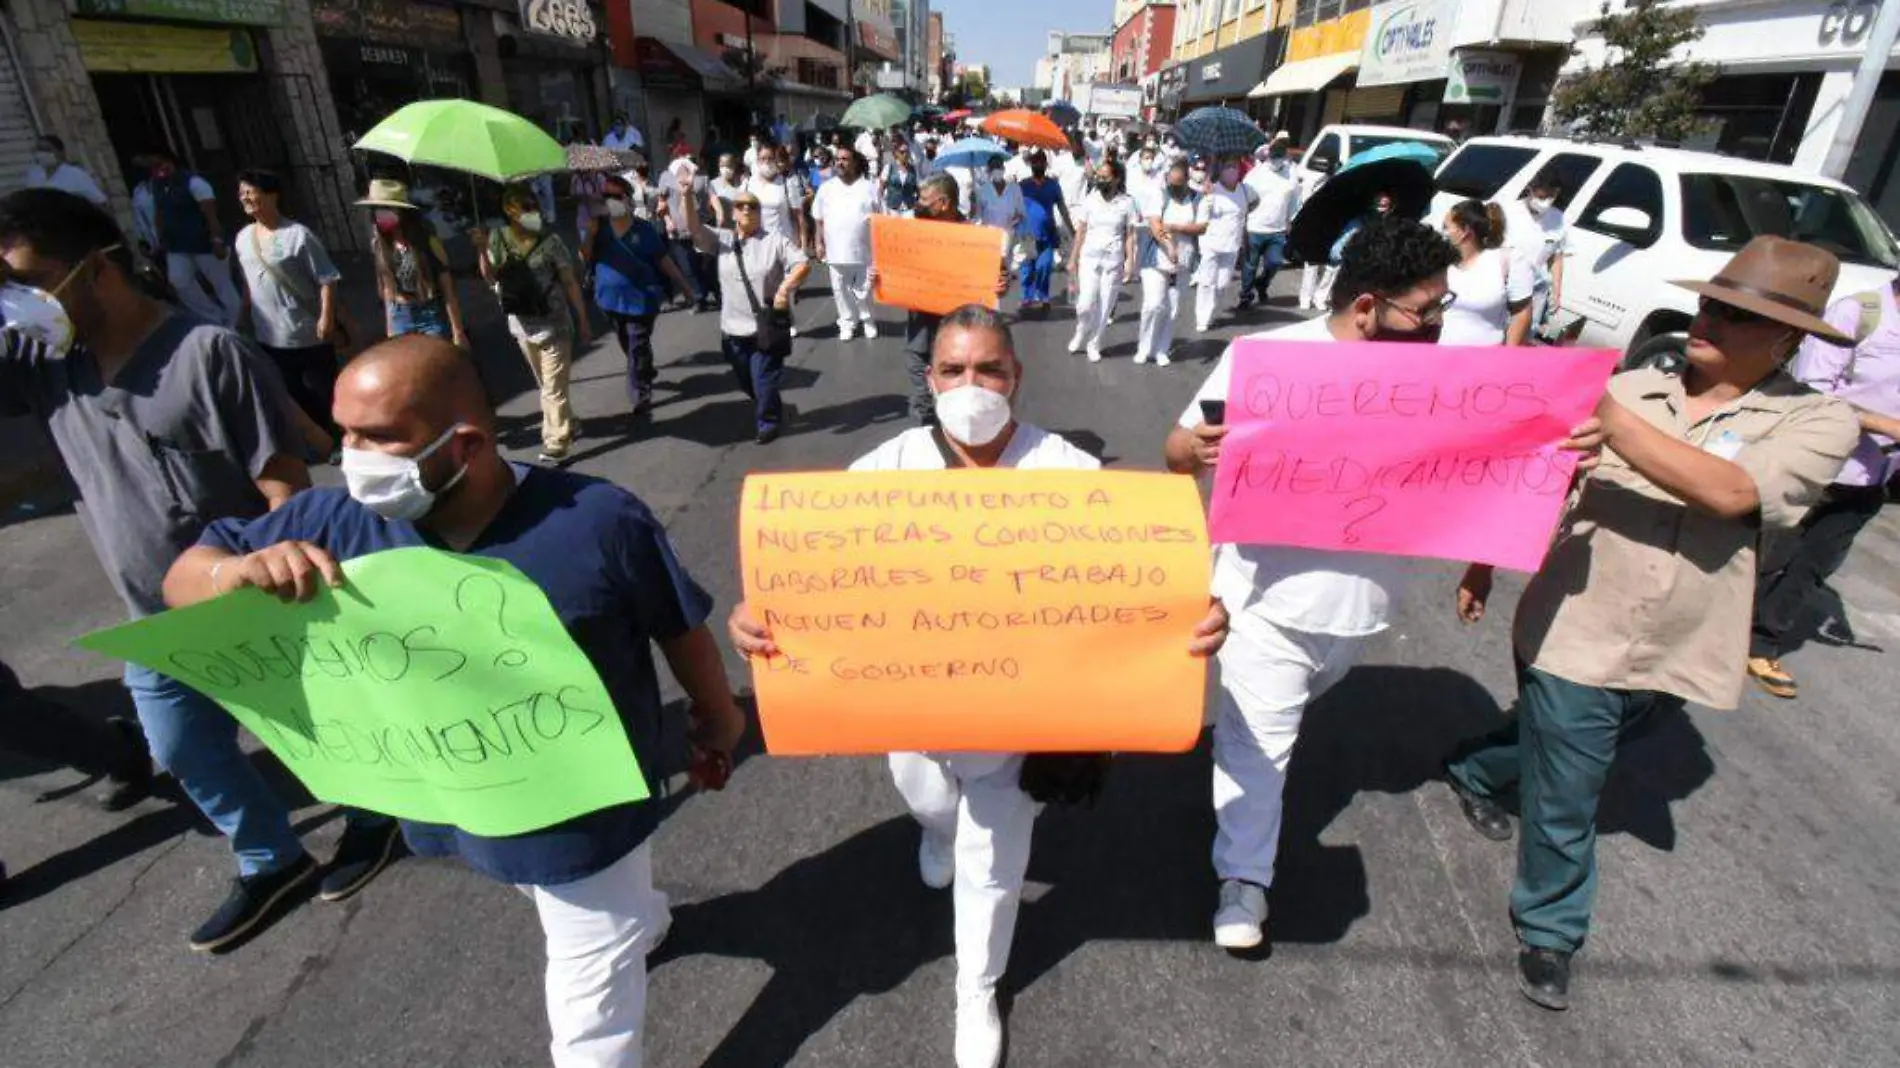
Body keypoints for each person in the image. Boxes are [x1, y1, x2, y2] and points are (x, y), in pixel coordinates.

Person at [161, 335, 746, 1066]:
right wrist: (236, 574)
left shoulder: (598, 521)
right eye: (342, 431)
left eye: (376, 437)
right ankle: (638, 919)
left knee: (589, 991)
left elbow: (677, 627)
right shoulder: (336, 523)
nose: (351, 456)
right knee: (558, 899)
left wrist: (717, 717)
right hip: (460, 802)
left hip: (586, 817)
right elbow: (183, 577)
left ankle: (621, 937)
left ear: (464, 443)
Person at [728, 305, 1231, 1068]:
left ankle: (976, 989)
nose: (973, 384)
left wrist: (1192, 618)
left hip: (1020, 730)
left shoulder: (1067, 471)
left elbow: (1139, 579)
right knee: (930, 803)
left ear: (1016, 377)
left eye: (990, 369)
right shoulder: (884, 470)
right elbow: (814, 583)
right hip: (915, 716)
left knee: (993, 866)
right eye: (956, 369)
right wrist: (760, 620)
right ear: (930, 380)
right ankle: (936, 830)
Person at [1444, 236, 1859, 1010]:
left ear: (1788, 339)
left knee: (1578, 741)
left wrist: (1605, 418)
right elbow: (1534, 483)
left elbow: (1735, 493)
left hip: (1686, 639)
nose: (1710, 320)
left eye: (1737, 315)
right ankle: (1550, 929)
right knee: (1573, 784)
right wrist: (1481, 562)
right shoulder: (1634, 387)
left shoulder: (1817, 421)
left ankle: (1476, 767)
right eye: (1710, 303)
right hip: (1577, 621)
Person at [0, 188, 401, 948]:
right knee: (183, 748)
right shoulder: (49, 368)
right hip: (155, 620)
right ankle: (269, 858)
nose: (20, 300)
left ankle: (375, 821)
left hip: (253, 606)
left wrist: (288, 589)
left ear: (100, 269)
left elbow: (284, 485)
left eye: (30, 278)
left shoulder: (207, 354)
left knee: (315, 732)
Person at [1165, 217, 1485, 955]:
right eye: (1424, 309)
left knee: (1280, 721)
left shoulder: (1439, 381)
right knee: (1261, 747)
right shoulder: (1268, 361)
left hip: (1363, 610)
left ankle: (1237, 780)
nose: (1437, 324)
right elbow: (1176, 451)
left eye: (1443, 306)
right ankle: (1244, 880)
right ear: (1368, 308)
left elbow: (1485, 470)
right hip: (1265, 605)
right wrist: (1197, 446)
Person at [1747, 277, 1900, 699]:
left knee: (1815, 563)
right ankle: (1710, 627)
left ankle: (1762, 643)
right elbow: (1812, 394)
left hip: (1874, 475)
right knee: (1764, 553)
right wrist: (1884, 425)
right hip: (1818, 466)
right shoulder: (1857, 313)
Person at [870, 174, 1010, 426]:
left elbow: (998, 279)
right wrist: (880, 276)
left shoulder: (975, 239)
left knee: (960, 406)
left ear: (944, 203)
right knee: (922, 403)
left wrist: (1001, 284)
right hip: (920, 338)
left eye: (925, 199)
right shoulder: (910, 232)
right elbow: (895, 270)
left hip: (961, 342)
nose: (918, 204)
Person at [472, 185, 593, 466]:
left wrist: (583, 319)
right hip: (521, 324)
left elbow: (569, 281)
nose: (531, 213)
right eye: (524, 208)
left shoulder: (550, 241)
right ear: (509, 212)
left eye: (533, 207)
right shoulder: (498, 239)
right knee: (547, 385)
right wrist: (481, 249)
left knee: (552, 388)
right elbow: (490, 278)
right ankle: (570, 421)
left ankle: (556, 441)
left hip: (555, 324)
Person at [685, 181, 809, 444]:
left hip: (766, 328)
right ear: (733, 213)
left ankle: (768, 422)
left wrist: (784, 289)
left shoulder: (774, 241)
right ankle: (770, 403)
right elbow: (694, 229)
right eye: (740, 206)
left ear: (759, 212)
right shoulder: (723, 240)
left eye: (752, 206)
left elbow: (802, 264)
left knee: (762, 379)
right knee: (747, 381)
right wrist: (686, 195)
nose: (746, 210)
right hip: (732, 329)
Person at [234, 169, 349, 436]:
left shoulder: (298, 235)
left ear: (272, 195)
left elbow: (328, 278)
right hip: (270, 336)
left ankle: (344, 437)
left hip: (308, 333)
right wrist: (242, 316)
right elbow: (248, 283)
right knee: (291, 393)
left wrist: (327, 317)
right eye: (241, 194)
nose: (244, 198)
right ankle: (325, 439)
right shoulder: (242, 238)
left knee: (326, 391)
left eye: (250, 191)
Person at [585, 173, 693, 416]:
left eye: (614, 196)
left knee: (636, 344)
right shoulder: (599, 229)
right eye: (605, 196)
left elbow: (663, 260)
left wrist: (685, 287)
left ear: (626, 199)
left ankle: (639, 393)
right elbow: (585, 257)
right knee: (630, 345)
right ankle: (644, 368)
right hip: (609, 301)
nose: (609, 201)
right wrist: (590, 235)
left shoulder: (644, 230)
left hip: (641, 301)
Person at [361, 179, 467, 348]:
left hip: (430, 312)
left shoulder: (426, 241)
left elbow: (447, 286)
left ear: (401, 211)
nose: (380, 214)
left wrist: (458, 331)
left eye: (386, 208)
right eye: (376, 209)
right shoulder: (379, 245)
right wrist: (390, 329)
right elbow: (388, 288)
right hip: (400, 315)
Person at [142, 148, 242, 328]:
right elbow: (159, 212)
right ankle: (213, 317)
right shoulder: (157, 185)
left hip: (204, 243)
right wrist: (159, 239)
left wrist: (217, 240)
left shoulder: (194, 183)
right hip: (177, 246)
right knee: (180, 281)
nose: (158, 170)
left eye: (161, 165)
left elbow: (211, 214)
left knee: (221, 285)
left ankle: (237, 321)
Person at [1065, 159, 1140, 363]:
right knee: (1084, 304)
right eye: (1098, 176)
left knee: (1106, 306)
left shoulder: (1127, 202)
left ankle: (1094, 343)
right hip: (1089, 258)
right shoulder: (1090, 199)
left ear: (1116, 179)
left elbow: (1130, 235)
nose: (1100, 180)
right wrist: (1073, 258)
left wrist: (1130, 262)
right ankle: (1081, 330)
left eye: (1105, 177)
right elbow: (1081, 231)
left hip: (1113, 260)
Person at [1135, 161, 1203, 367]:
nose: (1173, 186)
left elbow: (1201, 227)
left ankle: (1161, 349)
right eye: (1170, 182)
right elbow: (1155, 225)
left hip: (1183, 260)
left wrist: (1178, 227)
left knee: (1171, 309)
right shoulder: (1159, 195)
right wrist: (1168, 245)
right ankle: (1144, 347)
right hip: (1156, 257)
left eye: (1178, 183)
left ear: (1186, 181)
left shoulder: (1197, 198)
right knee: (1153, 305)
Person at [811, 147, 882, 341]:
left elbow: (880, 219)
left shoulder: (869, 187)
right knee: (840, 290)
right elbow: (818, 219)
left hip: (863, 250)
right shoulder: (826, 188)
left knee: (864, 289)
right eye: (837, 159)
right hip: (835, 250)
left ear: (855, 162)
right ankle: (847, 322)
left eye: (844, 159)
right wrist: (818, 243)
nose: (840, 163)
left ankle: (868, 321)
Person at [1440, 199, 1533, 346]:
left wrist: (1507, 356)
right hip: (1437, 358)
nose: (1442, 233)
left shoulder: (1507, 261)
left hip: (1484, 361)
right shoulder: (1440, 262)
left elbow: (1522, 313)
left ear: (1465, 231)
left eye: (1446, 227)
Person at [1502, 167, 1568, 338]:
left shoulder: (1559, 219)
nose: (1545, 201)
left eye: (1550, 197)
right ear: (1530, 189)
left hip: (1535, 292)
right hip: (1507, 288)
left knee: (1524, 338)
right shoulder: (1510, 212)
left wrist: (1557, 290)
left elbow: (1556, 256)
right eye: (1541, 197)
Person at [1193, 159, 1255, 333]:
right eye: (1227, 166)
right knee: (1206, 283)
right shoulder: (1212, 190)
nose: (1231, 170)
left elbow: (1255, 201)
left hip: (1232, 245)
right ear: (1219, 171)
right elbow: (1200, 218)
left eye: (1234, 167)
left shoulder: (1244, 190)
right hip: (1210, 244)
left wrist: (1243, 218)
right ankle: (1202, 318)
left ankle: (1212, 312)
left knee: (1221, 284)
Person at [1239, 139, 1299, 307]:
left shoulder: (1290, 173)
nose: (1277, 160)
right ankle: (1245, 295)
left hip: (1277, 230)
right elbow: (1244, 199)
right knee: (1250, 266)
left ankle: (1262, 283)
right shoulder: (1255, 174)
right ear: (1268, 155)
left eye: (1281, 156)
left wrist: (1291, 220)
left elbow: (1294, 199)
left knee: (1275, 263)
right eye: (1275, 156)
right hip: (1254, 228)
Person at [656, 157, 718, 313]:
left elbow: (712, 199)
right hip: (678, 232)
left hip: (700, 230)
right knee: (687, 267)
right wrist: (667, 220)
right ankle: (699, 299)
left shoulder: (701, 180)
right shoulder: (666, 177)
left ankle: (716, 294)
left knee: (705, 265)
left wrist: (718, 212)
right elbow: (661, 204)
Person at [1015, 151, 1071, 314]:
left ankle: (1043, 296)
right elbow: (1015, 206)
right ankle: (1027, 297)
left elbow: (1061, 207)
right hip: (1027, 235)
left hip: (1048, 233)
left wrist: (1071, 229)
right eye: (1035, 162)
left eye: (1041, 162)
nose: (1038, 165)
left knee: (1044, 267)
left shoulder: (1053, 184)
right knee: (1027, 268)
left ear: (1046, 165)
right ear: (1031, 165)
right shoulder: (1023, 185)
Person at [22, 134, 107, 206]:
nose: (42, 154)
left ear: (60, 152)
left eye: (47, 150)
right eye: (39, 150)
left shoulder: (75, 174)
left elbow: (100, 202)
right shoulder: (33, 175)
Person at [973, 159, 1024, 235]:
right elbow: (978, 217)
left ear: (1003, 168)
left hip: (1009, 236)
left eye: (998, 166)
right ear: (989, 171)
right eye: (994, 167)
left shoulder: (1015, 188)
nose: (997, 170)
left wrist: (1015, 219)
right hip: (988, 236)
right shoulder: (982, 190)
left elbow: (1021, 213)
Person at [881, 139, 923, 217]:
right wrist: (882, 206)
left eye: (907, 152)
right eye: (902, 152)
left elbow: (918, 188)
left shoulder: (913, 169)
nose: (905, 154)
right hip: (892, 207)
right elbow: (881, 188)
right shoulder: (889, 167)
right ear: (896, 153)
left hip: (909, 207)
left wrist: (918, 202)